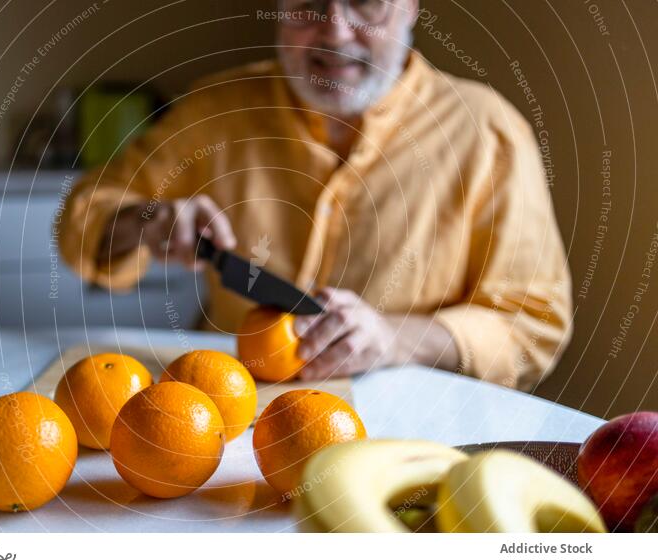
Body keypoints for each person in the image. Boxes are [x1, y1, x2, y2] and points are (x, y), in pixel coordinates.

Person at [58, 0, 572, 390]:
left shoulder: (489, 132)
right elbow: (83, 216)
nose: (335, 30)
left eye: (365, 1)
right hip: (222, 409)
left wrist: (395, 338)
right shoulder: (215, 106)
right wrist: (146, 220)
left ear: (411, 6)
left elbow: (532, 324)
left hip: (405, 428)